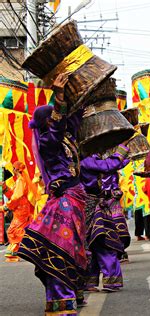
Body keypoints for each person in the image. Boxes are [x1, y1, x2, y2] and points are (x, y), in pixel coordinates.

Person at [18, 73, 88, 315]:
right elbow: (58, 128)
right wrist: (58, 98)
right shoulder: (49, 142)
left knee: (76, 247)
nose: (57, 119)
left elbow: (72, 120)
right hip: (64, 200)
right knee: (59, 246)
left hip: (76, 199)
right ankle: (60, 300)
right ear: (45, 123)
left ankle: (75, 292)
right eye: (51, 117)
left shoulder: (66, 138)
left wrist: (74, 94)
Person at [80, 148, 130, 292]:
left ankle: (91, 281)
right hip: (93, 206)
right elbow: (109, 165)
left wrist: (125, 157)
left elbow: (113, 165)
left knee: (94, 242)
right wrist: (123, 148)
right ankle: (106, 280)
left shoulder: (91, 159)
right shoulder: (86, 161)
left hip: (99, 204)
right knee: (102, 241)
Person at [0, 161, 36, 262]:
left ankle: (16, 250)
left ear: (16, 169)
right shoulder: (19, 180)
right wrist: (5, 188)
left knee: (13, 230)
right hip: (20, 208)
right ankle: (21, 248)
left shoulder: (21, 180)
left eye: (13, 168)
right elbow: (14, 195)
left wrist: (6, 206)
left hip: (21, 208)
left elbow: (16, 197)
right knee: (17, 229)